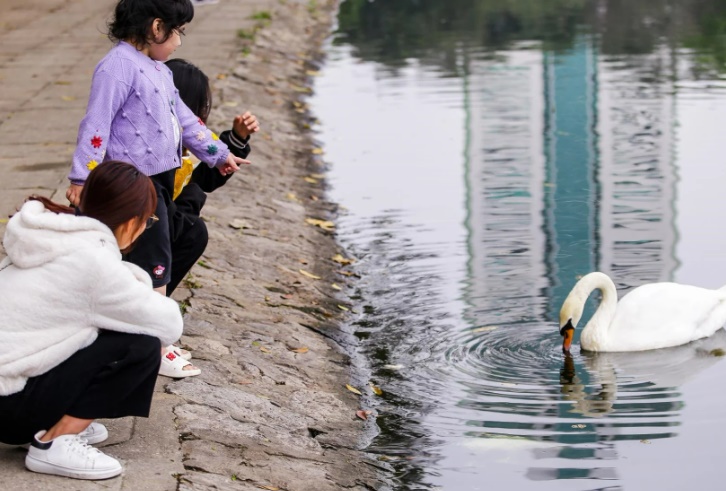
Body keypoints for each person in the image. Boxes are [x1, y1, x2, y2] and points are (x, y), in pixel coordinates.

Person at [65, 0, 249, 377]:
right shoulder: (117, 67)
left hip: (160, 183)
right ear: (156, 27)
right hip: (131, 185)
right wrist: (82, 177)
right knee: (152, 265)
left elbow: (186, 120)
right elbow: (96, 122)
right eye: (179, 32)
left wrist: (218, 154)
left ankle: (145, 340)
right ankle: (152, 347)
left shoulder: (160, 72)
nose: (180, 42)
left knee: (156, 260)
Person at [0, 161, 183, 480]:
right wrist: (138, 283)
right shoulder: (93, 263)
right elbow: (168, 325)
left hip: (7, 387)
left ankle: (57, 419)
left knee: (107, 325)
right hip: (8, 407)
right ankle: (54, 443)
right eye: (147, 221)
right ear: (131, 222)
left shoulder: (53, 232)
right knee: (141, 345)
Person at [164, 58, 260, 295]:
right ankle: (154, 299)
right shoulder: (154, 150)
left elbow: (206, 177)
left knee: (192, 204)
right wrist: (190, 202)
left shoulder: (188, 148)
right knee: (194, 231)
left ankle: (157, 297)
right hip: (133, 230)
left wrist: (236, 139)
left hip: (154, 225)